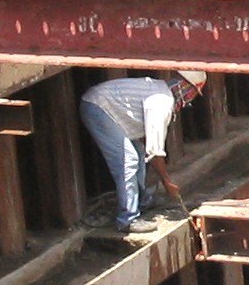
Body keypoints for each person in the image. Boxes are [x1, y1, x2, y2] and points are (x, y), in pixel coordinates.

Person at [80, 71, 207, 234]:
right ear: (188, 89)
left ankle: (142, 201)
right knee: (129, 161)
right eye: (193, 94)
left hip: (105, 105)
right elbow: (155, 152)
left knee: (138, 152)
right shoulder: (163, 103)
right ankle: (127, 219)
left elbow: (148, 142)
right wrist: (167, 181)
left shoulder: (159, 89)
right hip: (98, 107)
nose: (191, 99)